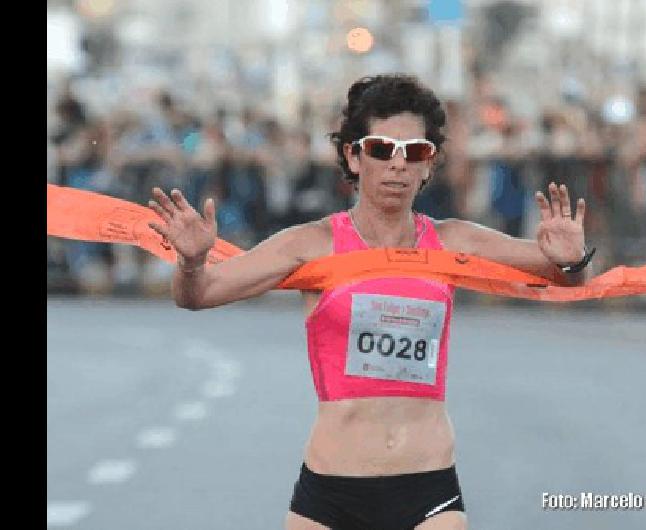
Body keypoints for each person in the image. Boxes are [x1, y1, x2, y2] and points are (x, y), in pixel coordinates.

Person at [147, 74, 594, 530]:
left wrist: (572, 259)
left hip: (429, 487)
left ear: (428, 166)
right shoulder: (312, 244)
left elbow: (568, 279)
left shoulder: (453, 241)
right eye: (382, 149)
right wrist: (191, 261)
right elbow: (198, 295)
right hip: (331, 492)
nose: (398, 165)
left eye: (415, 152)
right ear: (353, 156)